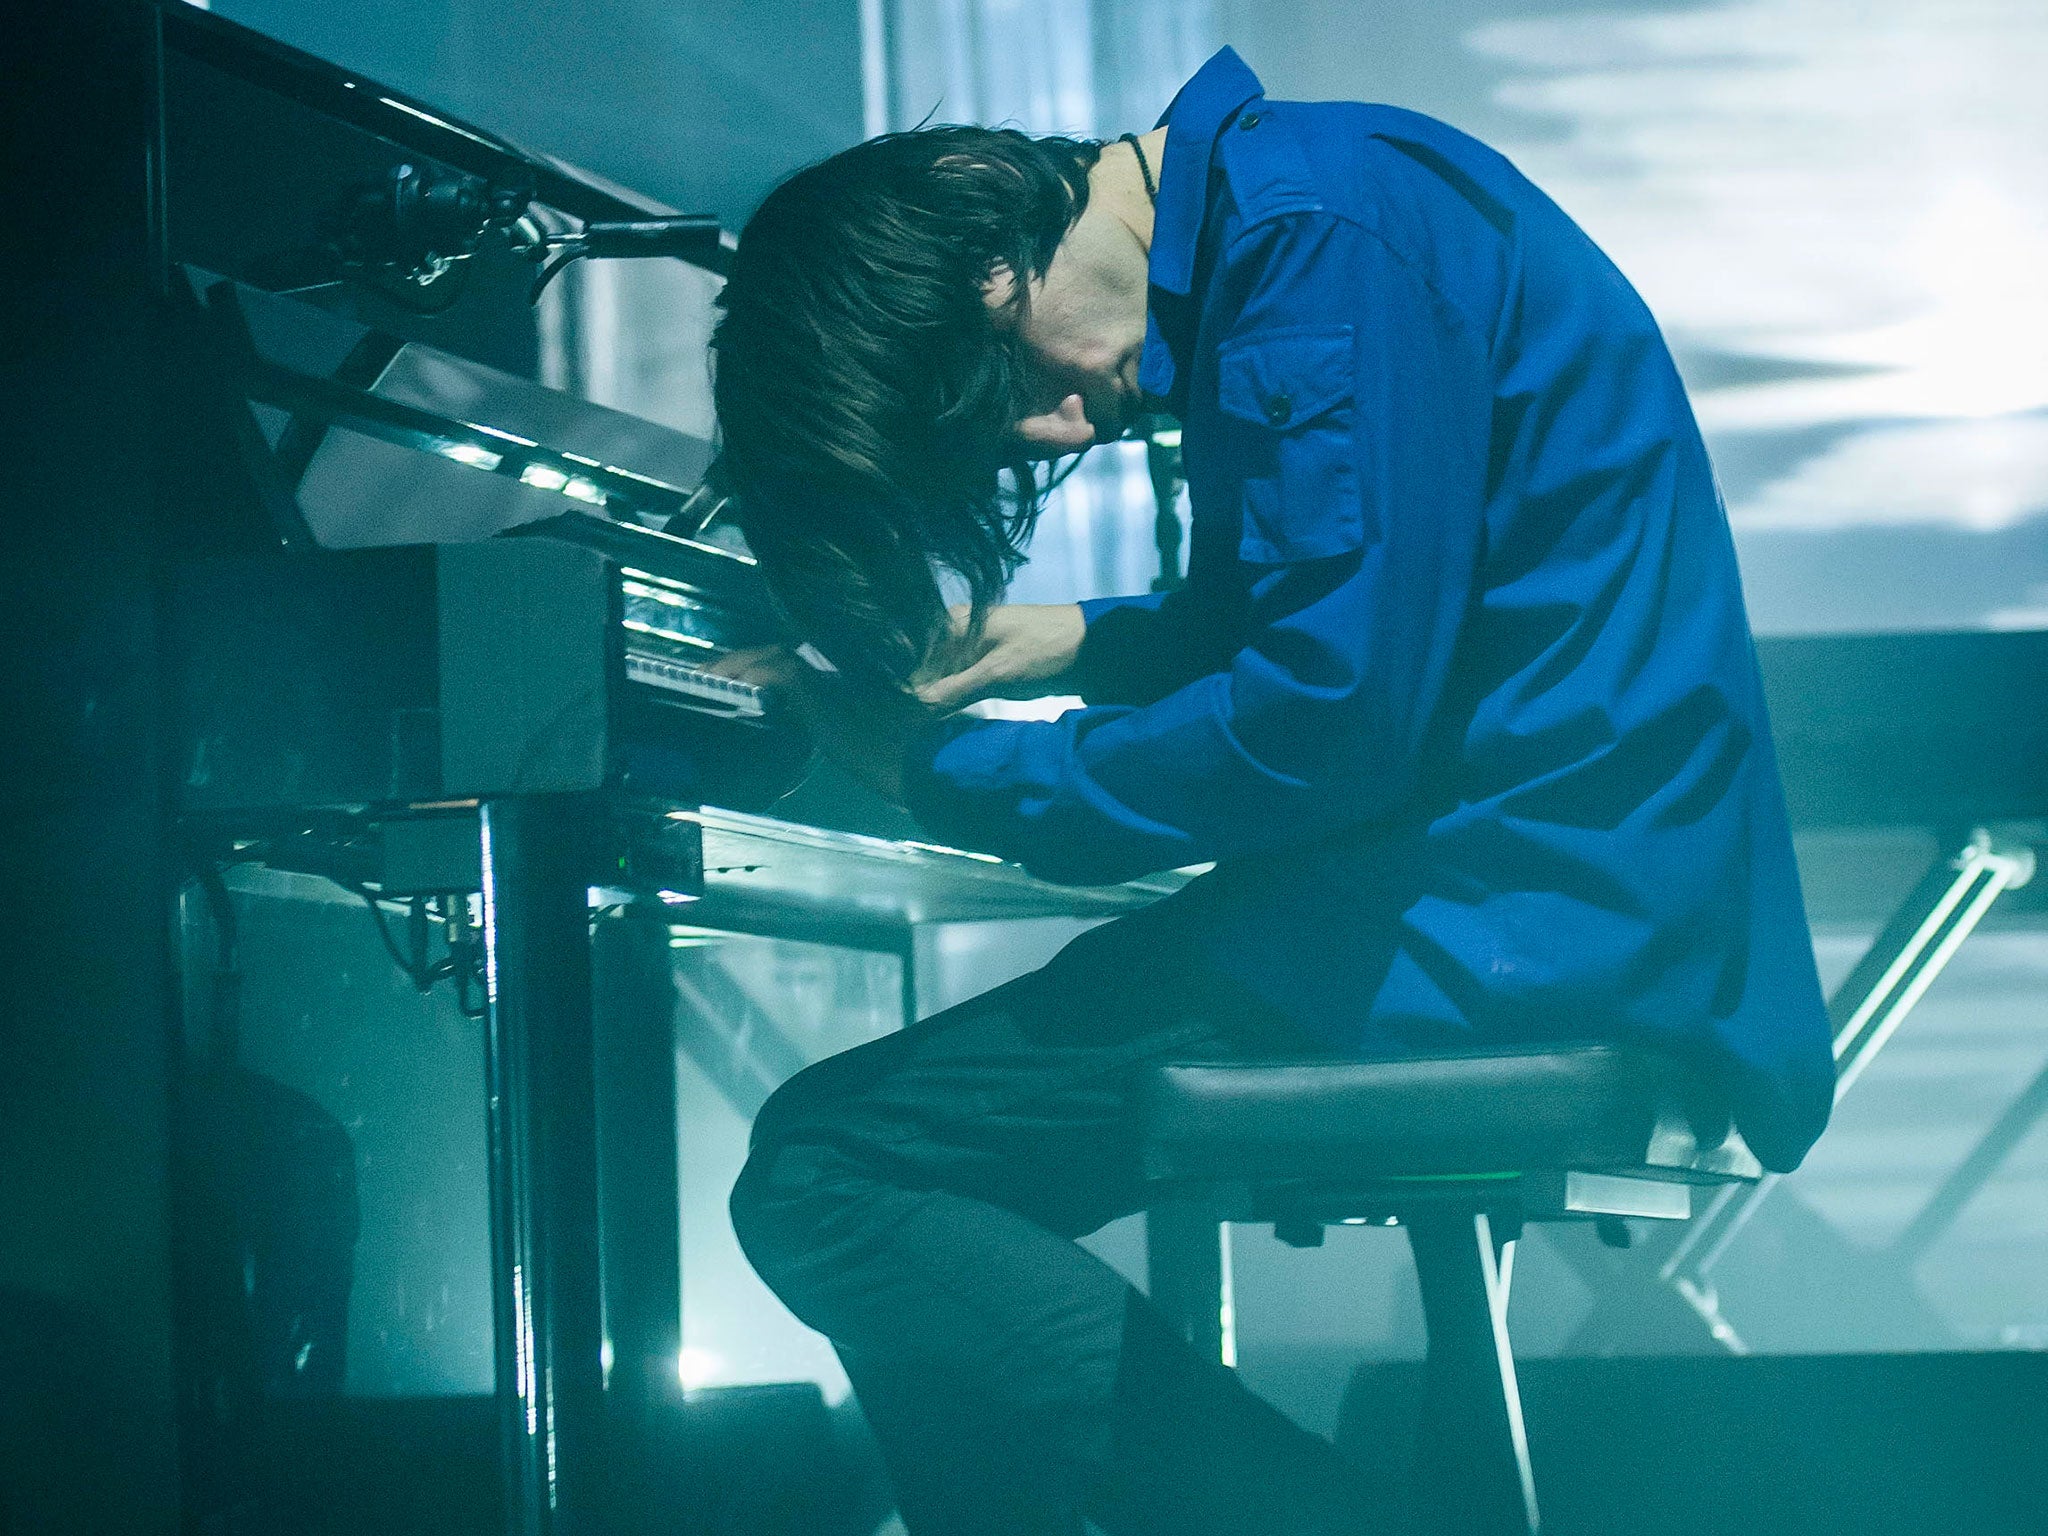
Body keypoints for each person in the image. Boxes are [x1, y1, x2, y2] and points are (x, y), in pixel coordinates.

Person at [711, 46, 1835, 1536]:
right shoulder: (1302, 207)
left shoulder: (1312, 252)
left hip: (1503, 913)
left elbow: (1322, 727)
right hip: (1565, 883)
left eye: (1013, 389)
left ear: (991, 254)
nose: (1061, 431)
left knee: (829, 1170)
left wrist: (940, 771)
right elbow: (1350, 616)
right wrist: (1064, 641)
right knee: (902, 1193)